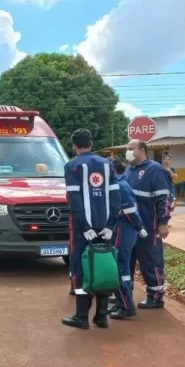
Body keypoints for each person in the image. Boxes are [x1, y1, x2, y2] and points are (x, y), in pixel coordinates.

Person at [61, 129, 121, 330]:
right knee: (102, 264)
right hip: (105, 226)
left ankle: (81, 317)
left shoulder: (72, 166)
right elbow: (115, 197)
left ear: (74, 146)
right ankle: (101, 317)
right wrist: (111, 225)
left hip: (81, 228)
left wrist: (84, 226)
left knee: (80, 269)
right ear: (92, 144)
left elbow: (74, 200)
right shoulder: (108, 164)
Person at [125, 139, 172, 309]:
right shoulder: (129, 170)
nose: (128, 152)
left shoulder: (155, 170)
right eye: (127, 149)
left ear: (142, 150)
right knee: (126, 261)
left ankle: (156, 296)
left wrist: (163, 222)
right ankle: (124, 293)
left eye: (131, 149)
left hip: (148, 226)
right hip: (129, 226)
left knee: (151, 261)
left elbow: (164, 198)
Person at [109, 158, 148, 320]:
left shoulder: (120, 186)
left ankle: (126, 306)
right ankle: (121, 302)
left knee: (120, 267)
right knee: (121, 267)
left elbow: (130, 211)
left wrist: (139, 227)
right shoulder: (119, 183)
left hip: (124, 230)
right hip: (122, 230)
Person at [162, 153, 177, 225]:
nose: (167, 161)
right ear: (163, 160)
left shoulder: (172, 169)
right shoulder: (159, 169)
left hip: (170, 189)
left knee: (169, 204)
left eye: (168, 159)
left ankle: (167, 220)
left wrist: (169, 170)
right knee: (162, 204)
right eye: (165, 159)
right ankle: (161, 220)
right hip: (161, 189)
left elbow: (175, 178)